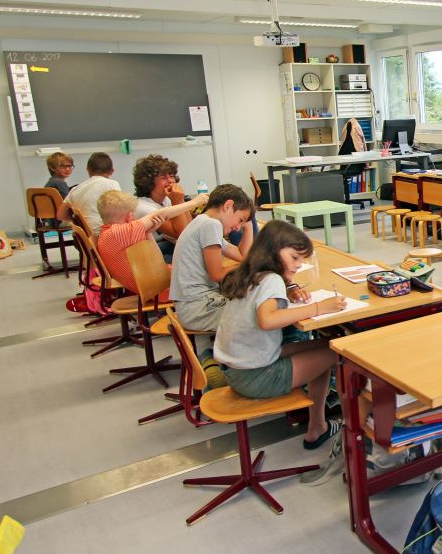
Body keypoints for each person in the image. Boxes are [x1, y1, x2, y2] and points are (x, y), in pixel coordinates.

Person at [214, 220, 345, 451]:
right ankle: (337, 425)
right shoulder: (272, 279)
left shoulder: (250, 273)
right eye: (294, 258)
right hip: (256, 375)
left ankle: (318, 424)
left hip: (238, 368)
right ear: (274, 252)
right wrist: (319, 308)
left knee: (326, 344)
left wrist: (290, 290)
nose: (298, 265)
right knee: (337, 351)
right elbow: (267, 319)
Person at [171, 184, 255, 333]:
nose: (238, 227)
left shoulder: (204, 221)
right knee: (260, 315)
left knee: (255, 304)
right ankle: (211, 354)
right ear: (228, 206)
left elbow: (242, 256)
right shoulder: (211, 225)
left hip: (197, 304)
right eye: (240, 219)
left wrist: (248, 227)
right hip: (198, 309)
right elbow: (216, 274)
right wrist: (252, 266)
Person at [95, 189, 209, 298]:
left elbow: (157, 259)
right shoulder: (117, 233)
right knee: (210, 275)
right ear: (128, 216)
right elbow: (160, 215)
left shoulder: (109, 233)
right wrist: (195, 202)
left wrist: (148, 233)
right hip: (159, 290)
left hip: (155, 284)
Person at [133, 154, 194, 260]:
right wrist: (177, 201)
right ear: (148, 182)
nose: (170, 181)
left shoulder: (166, 199)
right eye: (163, 178)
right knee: (189, 259)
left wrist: (180, 201)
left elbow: (189, 228)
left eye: (171, 176)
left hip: (161, 245)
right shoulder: (144, 208)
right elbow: (180, 234)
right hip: (146, 255)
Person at [58, 152, 119, 236]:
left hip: (82, 239)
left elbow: (60, 215)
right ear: (112, 171)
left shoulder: (75, 189)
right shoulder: (111, 184)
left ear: (87, 169)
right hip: (103, 237)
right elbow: (121, 211)